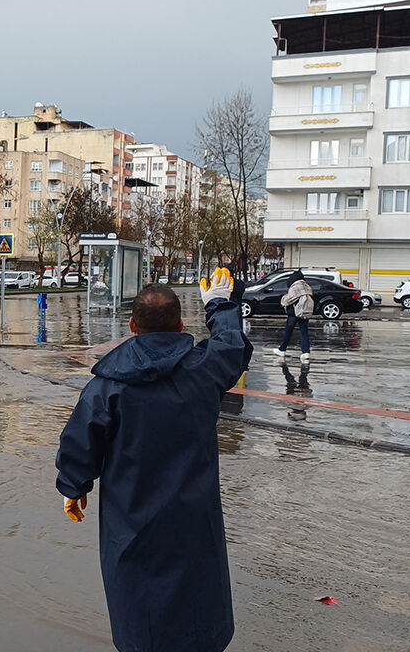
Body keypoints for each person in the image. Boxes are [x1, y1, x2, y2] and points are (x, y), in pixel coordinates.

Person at [55, 269, 253, 652]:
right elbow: (232, 346)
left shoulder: (107, 386)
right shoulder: (204, 369)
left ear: (132, 325)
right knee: (198, 601)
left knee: (138, 608)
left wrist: (73, 487)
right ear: (181, 324)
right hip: (193, 521)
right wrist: (219, 304)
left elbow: (81, 442)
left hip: (131, 522)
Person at [274, 270, 313, 362]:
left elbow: (288, 300)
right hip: (305, 312)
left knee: (288, 332)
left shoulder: (295, 287)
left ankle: (282, 350)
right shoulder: (307, 286)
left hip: (294, 313)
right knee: (304, 333)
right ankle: (305, 352)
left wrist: (283, 299)